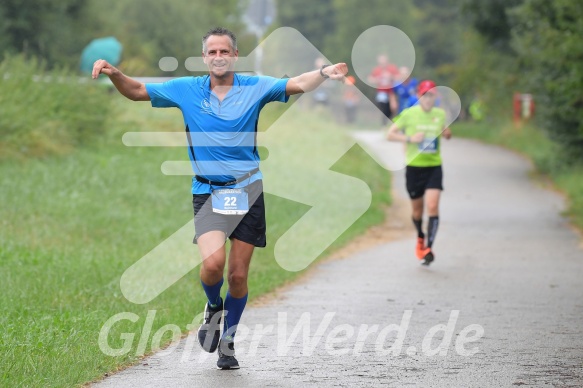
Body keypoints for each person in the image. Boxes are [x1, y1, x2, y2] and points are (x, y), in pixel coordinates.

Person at [91, 27, 348, 369]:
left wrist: (322, 73)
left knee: (238, 276)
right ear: (204, 58)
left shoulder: (254, 87)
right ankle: (213, 307)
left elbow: (297, 83)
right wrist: (116, 74)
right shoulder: (186, 90)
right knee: (212, 266)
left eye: (224, 51)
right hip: (208, 190)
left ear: (235, 56)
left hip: (247, 190)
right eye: (211, 52)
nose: (218, 57)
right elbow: (137, 90)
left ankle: (228, 341)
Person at [386, 80, 451, 266]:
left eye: (431, 95)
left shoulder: (440, 114)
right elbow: (390, 134)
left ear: (435, 97)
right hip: (414, 168)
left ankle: (428, 248)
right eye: (425, 95)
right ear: (419, 96)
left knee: (432, 206)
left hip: (434, 166)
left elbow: (444, 130)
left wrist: (447, 134)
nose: (428, 99)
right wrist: (410, 138)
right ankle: (420, 237)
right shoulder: (409, 114)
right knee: (417, 211)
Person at [367, 54, 399, 125]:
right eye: (381, 62)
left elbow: (399, 77)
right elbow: (370, 79)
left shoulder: (392, 68)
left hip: (392, 92)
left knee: (392, 108)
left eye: (384, 61)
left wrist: (391, 77)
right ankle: (384, 123)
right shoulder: (377, 70)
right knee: (383, 105)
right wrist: (376, 79)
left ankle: (391, 122)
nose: (383, 63)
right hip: (382, 91)